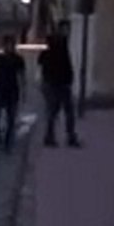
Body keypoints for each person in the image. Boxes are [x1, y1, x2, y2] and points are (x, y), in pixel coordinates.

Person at [38, 20, 80, 148]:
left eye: (68, 29)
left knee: (60, 111)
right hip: (54, 83)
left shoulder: (62, 43)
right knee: (56, 111)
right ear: (60, 29)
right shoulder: (57, 44)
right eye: (65, 29)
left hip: (60, 82)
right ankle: (57, 136)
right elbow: (52, 64)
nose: (67, 32)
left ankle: (59, 136)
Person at [0, 34, 26, 151]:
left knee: (11, 120)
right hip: (0, 92)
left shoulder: (18, 60)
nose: (9, 47)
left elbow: (22, 77)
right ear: (3, 46)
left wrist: (24, 92)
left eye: (11, 45)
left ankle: (8, 143)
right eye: (6, 45)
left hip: (13, 92)